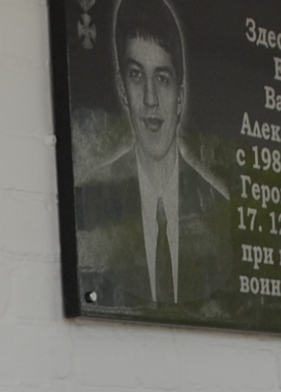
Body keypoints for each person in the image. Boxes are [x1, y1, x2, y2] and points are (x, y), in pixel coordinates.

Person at [74, 0, 231, 309]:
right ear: (122, 89)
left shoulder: (217, 213)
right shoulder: (88, 201)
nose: (150, 98)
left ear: (181, 96)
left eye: (162, 79)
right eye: (136, 75)